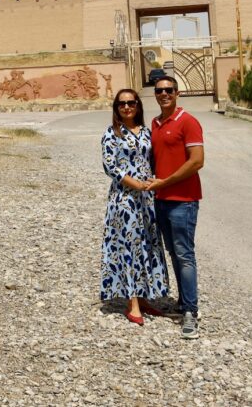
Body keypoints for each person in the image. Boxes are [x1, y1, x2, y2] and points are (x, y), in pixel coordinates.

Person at [99, 88, 168, 325]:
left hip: (147, 199)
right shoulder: (112, 134)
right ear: (116, 108)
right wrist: (136, 184)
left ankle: (145, 295)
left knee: (147, 244)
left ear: (137, 105)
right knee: (128, 247)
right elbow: (111, 167)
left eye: (131, 103)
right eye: (122, 104)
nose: (127, 107)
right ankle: (132, 302)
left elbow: (156, 160)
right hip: (125, 200)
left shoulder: (148, 133)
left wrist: (155, 182)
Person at [145, 75, 205, 339]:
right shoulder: (155, 124)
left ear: (177, 93)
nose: (164, 94)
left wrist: (166, 181)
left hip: (183, 200)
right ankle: (183, 303)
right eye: (160, 90)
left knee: (184, 254)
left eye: (169, 90)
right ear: (155, 94)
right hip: (161, 201)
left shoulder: (188, 121)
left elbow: (197, 161)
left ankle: (191, 311)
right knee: (173, 252)